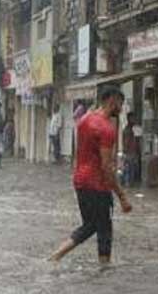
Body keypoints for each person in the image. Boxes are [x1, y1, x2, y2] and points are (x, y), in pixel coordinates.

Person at [49, 85, 133, 265]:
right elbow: (106, 166)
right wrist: (122, 196)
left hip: (80, 181)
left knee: (91, 225)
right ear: (112, 100)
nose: (121, 108)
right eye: (121, 103)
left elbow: (79, 152)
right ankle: (103, 269)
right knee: (104, 230)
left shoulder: (85, 119)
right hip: (97, 184)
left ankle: (57, 255)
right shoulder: (106, 128)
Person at [122, 112, 141, 187]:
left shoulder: (131, 130)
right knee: (129, 170)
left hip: (131, 152)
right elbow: (127, 143)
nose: (134, 120)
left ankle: (129, 185)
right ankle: (128, 185)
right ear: (129, 119)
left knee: (130, 170)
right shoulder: (127, 130)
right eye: (133, 118)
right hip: (130, 153)